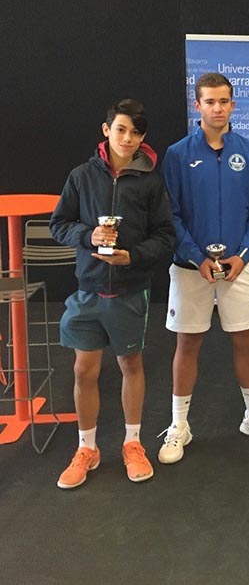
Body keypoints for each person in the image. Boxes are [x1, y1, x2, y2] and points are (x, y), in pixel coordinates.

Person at [51, 99, 175, 489]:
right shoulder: (81, 176)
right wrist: (88, 235)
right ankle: (87, 448)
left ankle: (132, 444)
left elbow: (165, 236)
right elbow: (59, 224)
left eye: (135, 133)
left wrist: (132, 257)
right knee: (83, 370)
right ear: (106, 130)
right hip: (88, 290)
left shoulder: (151, 181)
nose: (127, 138)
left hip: (129, 289)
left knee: (130, 365)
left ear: (142, 137)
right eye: (120, 129)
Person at [158, 72, 249, 464]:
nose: (217, 108)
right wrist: (197, 257)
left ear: (233, 104)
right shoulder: (177, 154)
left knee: (246, 338)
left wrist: (242, 255)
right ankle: (179, 425)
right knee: (187, 342)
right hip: (190, 266)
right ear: (197, 106)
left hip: (238, 265)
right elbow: (170, 214)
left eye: (224, 101)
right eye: (209, 101)